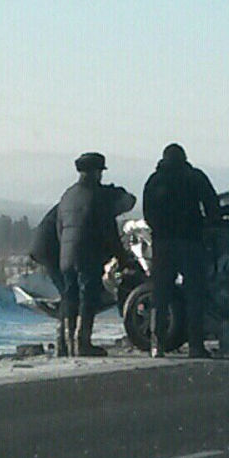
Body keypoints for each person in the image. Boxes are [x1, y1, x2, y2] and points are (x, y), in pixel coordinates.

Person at [143, 143, 220, 358]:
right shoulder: (194, 177)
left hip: (163, 244)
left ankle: (157, 345)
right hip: (191, 242)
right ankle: (195, 345)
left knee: (160, 294)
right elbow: (213, 206)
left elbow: (148, 213)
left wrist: (160, 231)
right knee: (195, 294)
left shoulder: (154, 180)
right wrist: (206, 228)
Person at [56, 152, 136, 357]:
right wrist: (122, 257)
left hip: (66, 255)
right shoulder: (98, 196)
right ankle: (82, 342)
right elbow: (109, 231)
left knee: (69, 296)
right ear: (96, 172)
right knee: (87, 297)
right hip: (87, 253)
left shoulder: (67, 195)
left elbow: (59, 227)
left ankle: (68, 344)